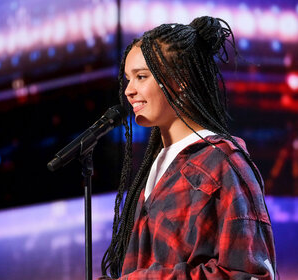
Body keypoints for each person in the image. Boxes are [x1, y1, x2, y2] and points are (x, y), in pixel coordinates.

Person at [99, 16, 277, 279]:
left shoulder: (224, 163)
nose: (129, 90)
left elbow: (247, 273)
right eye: (128, 78)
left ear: (180, 80)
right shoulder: (157, 166)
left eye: (141, 77)